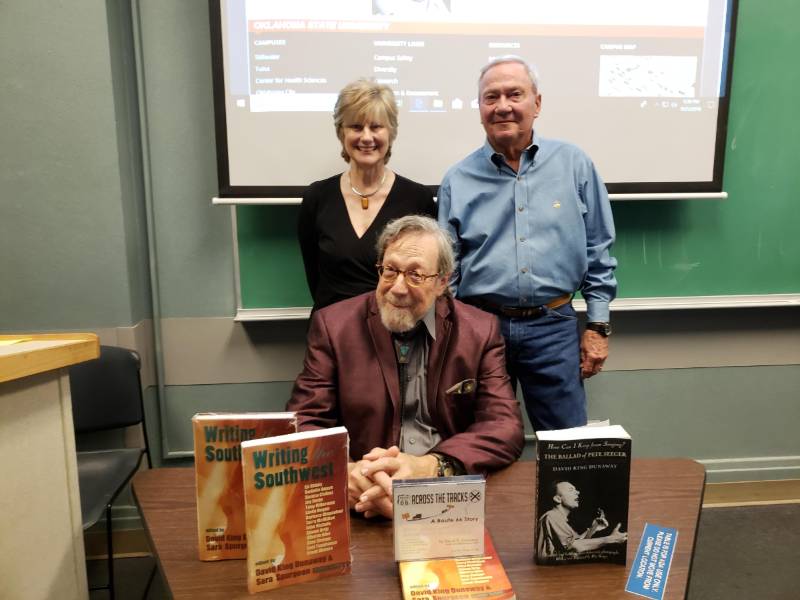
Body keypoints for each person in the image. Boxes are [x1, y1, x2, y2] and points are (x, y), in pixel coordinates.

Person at [287, 215, 524, 518]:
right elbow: (303, 421)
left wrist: (431, 465)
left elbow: (504, 426)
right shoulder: (334, 326)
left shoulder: (479, 330)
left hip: (446, 499)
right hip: (363, 498)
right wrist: (346, 473)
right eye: (390, 271)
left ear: (442, 282)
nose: (397, 288)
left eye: (415, 275)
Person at [437, 56, 617, 431]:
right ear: (480, 109)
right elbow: (446, 273)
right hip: (480, 329)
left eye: (514, 94)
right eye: (491, 97)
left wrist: (597, 326)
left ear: (537, 103)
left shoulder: (574, 165)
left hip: (554, 327)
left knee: (566, 444)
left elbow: (598, 249)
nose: (502, 106)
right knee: (481, 440)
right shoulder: (458, 179)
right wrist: (450, 337)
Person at [298, 79, 436, 311]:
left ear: (391, 132)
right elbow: (315, 277)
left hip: (396, 334)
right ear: (341, 133)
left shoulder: (418, 199)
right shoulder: (316, 198)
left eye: (376, 126)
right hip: (332, 334)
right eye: (355, 127)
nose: (366, 137)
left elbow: (424, 278)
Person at [537, 480, 627, 557]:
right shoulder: (552, 516)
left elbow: (577, 543)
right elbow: (574, 547)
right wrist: (611, 539)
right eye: (571, 490)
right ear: (558, 499)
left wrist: (593, 528)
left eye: (575, 489)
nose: (578, 492)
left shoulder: (558, 519)